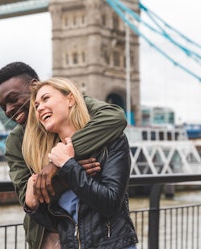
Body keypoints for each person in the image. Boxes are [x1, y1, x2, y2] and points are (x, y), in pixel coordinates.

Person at [0, 62, 127, 249]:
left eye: (13, 99)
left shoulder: (70, 103)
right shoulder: (16, 141)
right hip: (47, 235)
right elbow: (30, 200)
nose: (8, 110)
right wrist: (64, 174)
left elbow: (116, 118)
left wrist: (57, 164)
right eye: (3, 106)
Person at [23, 77, 138, 249]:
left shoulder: (111, 142)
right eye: (36, 105)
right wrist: (32, 205)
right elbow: (57, 223)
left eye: (46, 98)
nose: (39, 108)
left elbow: (110, 203)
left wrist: (68, 165)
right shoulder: (49, 158)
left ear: (70, 99)